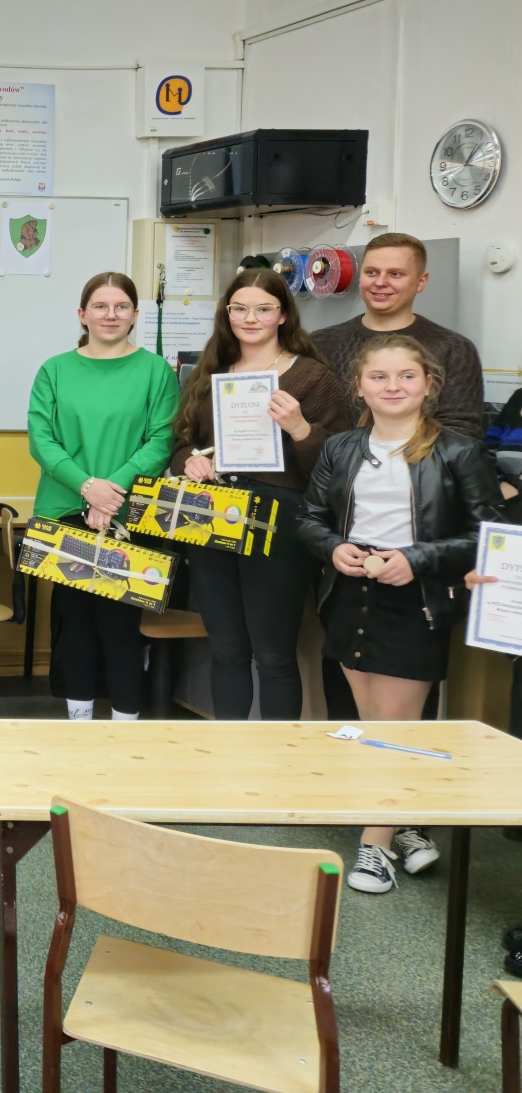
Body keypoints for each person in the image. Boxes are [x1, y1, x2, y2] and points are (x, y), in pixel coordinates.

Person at [297, 334, 505, 894]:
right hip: (349, 593)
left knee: (393, 730)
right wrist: (332, 548)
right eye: (380, 377)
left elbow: (489, 534)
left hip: (417, 601)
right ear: (359, 386)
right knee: (374, 727)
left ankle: (375, 847)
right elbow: (309, 518)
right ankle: (406, 821)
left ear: (428, 386)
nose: (393, 387)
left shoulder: (458, 451)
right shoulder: (341, 448)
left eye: (406, 376)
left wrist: (416, 560)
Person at [167, 269, 347, 721]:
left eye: (263, 309)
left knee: (273, 654)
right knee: (226, 649)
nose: (250, 318)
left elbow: (339, 466)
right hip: (212, 513)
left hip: (279, 520)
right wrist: (189, 462)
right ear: (227, 314)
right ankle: (230, 749)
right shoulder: (210, 372)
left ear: (283, 315)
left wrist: (300, 429)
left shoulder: (313, 378)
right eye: (240, 309)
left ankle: (276, 755)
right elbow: (182, 441)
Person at [27, 272, 178, 722]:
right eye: (100, 306)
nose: (110, 315)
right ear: (82, 314)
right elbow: (41, 440)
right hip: (66, 509)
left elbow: (161, 440)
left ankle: (124, 726)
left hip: (130, 513)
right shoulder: (54, 370)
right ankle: (79, 725)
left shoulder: (155, 371)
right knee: (74, 624)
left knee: (121, 625)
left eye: (120, 307)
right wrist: (87, 488)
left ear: (134, 315)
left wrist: (108, 493)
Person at [312, 232, 486, 436]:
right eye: (371, 272)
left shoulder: (454, 349)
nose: (380, 282)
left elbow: (461, 433)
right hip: (334, 456)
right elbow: (310, 424)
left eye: (395, 274)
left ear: (421, 282)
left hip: (422, 456)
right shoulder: (320, 344)